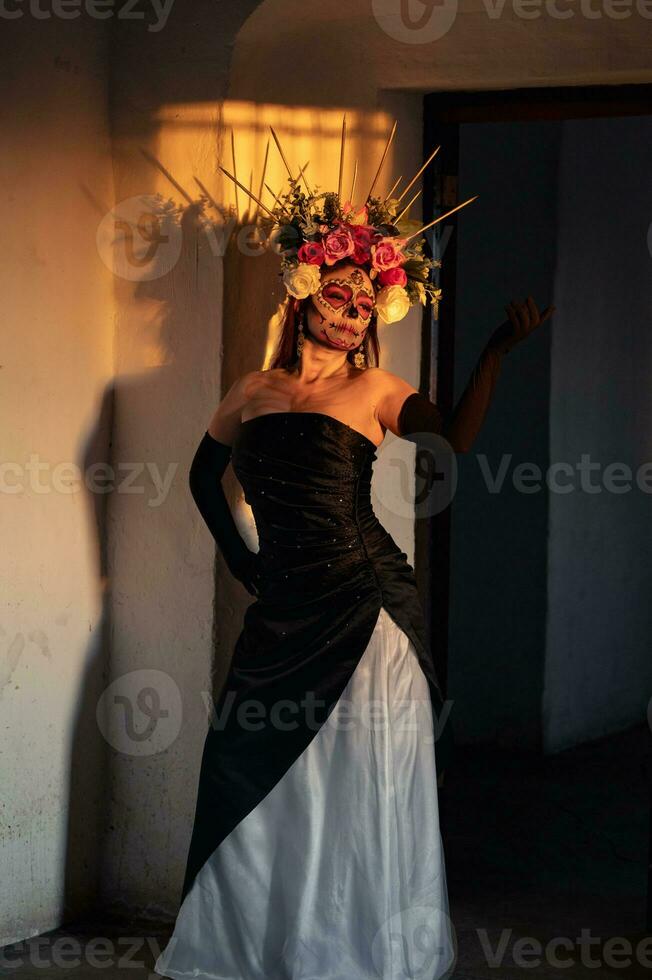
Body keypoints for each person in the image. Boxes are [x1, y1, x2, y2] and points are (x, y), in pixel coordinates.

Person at [154, 134, 554, 979]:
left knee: (350, 783)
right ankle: (254, 949)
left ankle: (349, 956)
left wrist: (493, 353)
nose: (351, 313)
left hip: (365, 607)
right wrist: (242, 561)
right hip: (282, 609)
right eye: (339, 294)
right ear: (304, 292)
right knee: (245, 769)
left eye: (365, 304)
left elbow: (450, 441)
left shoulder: (373, 391)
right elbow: (200, 478)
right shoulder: (251, 392)